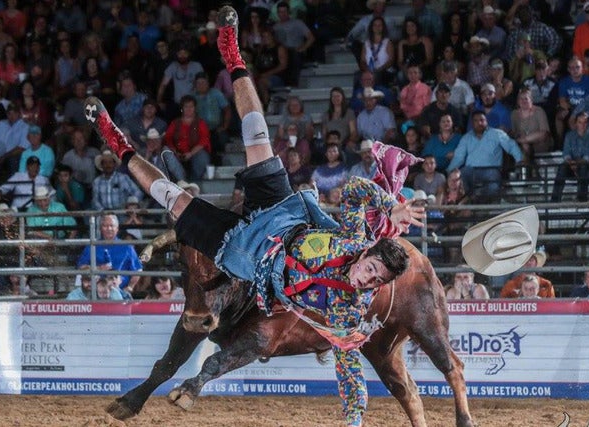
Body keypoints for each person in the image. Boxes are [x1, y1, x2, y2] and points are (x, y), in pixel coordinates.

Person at [82, 7, 425, 426]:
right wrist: (390, 206)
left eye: (376, 281)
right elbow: (354, 189)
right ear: (367, 255)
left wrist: (353, 420)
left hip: (246, 253)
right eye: (371, 268)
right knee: (258, 134)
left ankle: (115, 140)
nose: (367, 278)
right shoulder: (354, 239)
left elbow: (350, 371)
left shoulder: (347, 309)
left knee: (170, 199)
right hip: (283, 210)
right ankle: (231, 50)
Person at [446, 111, 523, 203]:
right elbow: (459, 157)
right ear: (472, 123)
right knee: (460, 177)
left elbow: (511, 146)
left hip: (491, 170)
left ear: (486, 121)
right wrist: (449, 171)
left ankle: (477, 200)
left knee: (493, 187)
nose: (479, 123)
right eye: (476, 121)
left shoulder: (497, 133)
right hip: (471, 170)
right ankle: (468, 201)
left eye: (482, 120)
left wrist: (520, 160)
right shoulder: (466, 138)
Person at [77, 214, 143, 293]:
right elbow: (81, 267)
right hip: (96, 292)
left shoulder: (127, 247)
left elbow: (138, 270)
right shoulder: (92, 246)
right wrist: (98, 268)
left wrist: (130, 287)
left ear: (117, 228)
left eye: (112, 225)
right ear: (100, 228)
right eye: (105, 226)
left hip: (120, 292)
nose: (109, 228)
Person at [550, 112, 589, 202]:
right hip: (571, 165)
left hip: (585, 166)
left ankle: (582, 199)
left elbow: (588, 157)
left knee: (583, 167)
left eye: (585, 122)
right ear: (575, 123)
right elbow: (566, 153)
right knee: (562, 167)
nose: (582, 125)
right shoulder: (569, 135)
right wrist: (571, 163)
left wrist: (576, 163)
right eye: (580, 122)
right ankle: (555, 200)